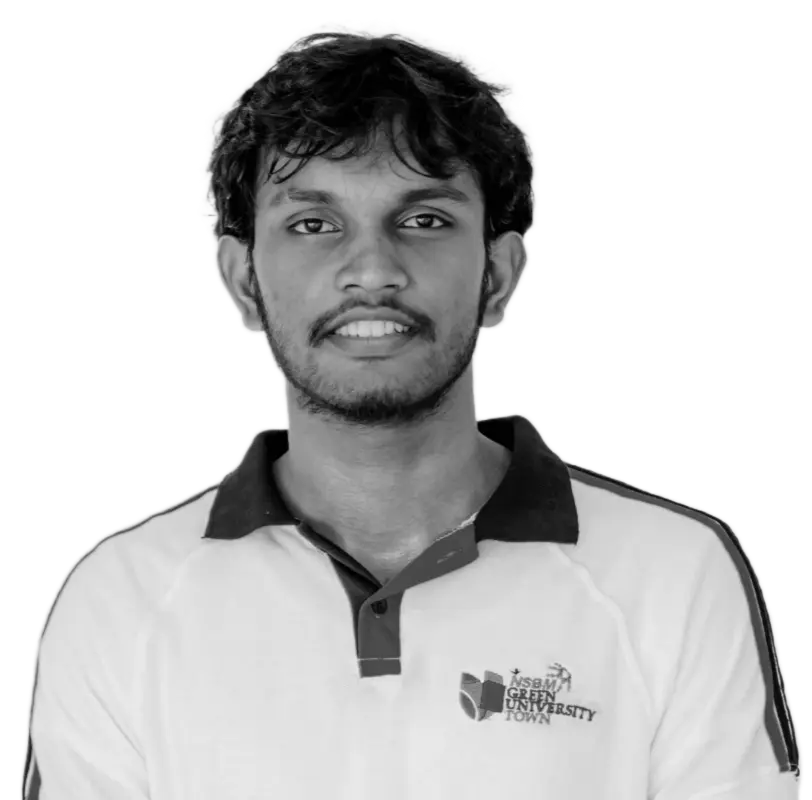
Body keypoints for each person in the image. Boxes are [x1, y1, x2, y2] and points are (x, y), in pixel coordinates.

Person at [23, 31, 798, 799]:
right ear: (243, 278)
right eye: (314, 224)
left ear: (498, 273)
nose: (372, 271)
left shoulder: (670, 574)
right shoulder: (122, 602)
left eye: (423, 219)